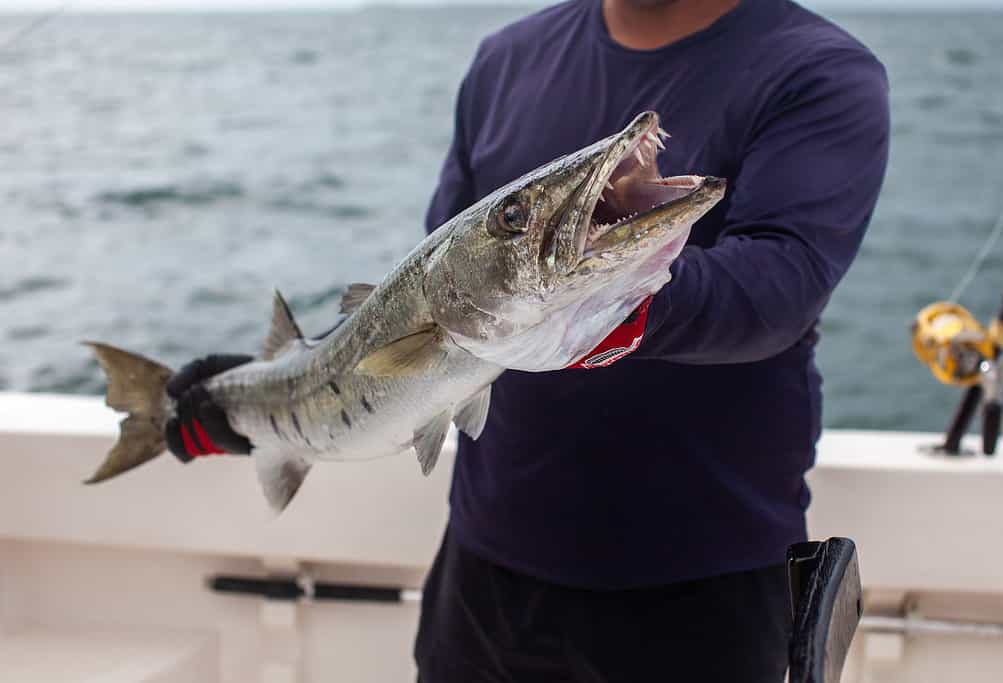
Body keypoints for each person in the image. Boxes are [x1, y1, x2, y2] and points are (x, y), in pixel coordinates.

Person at [166, 0, 890, 679]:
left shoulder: (817, 71)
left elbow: (781, 285)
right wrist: (274, 389)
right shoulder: (505, 60)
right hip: (486, 565)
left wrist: (612, 301)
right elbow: (427, 294)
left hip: (703, 580)